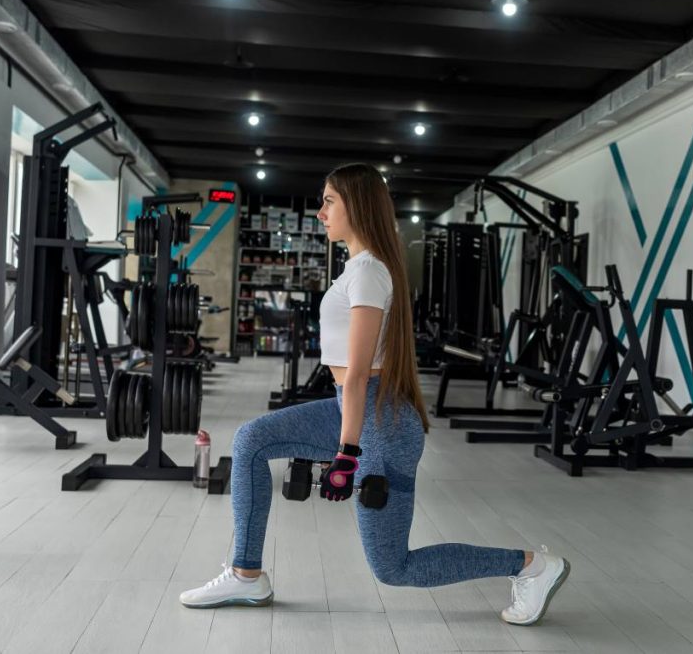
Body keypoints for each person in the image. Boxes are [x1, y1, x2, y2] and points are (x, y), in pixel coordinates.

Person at [180, 163, 569, 625]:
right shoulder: (359, 268)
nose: (320, 211)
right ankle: (246, 574)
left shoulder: (368, 272)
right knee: (250, 441)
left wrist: (347, 453)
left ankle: (532, 567)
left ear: (357, 205)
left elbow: (361, 371)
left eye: (329, 200)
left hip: (381, 427)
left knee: (394, 568)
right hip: (354, 407)